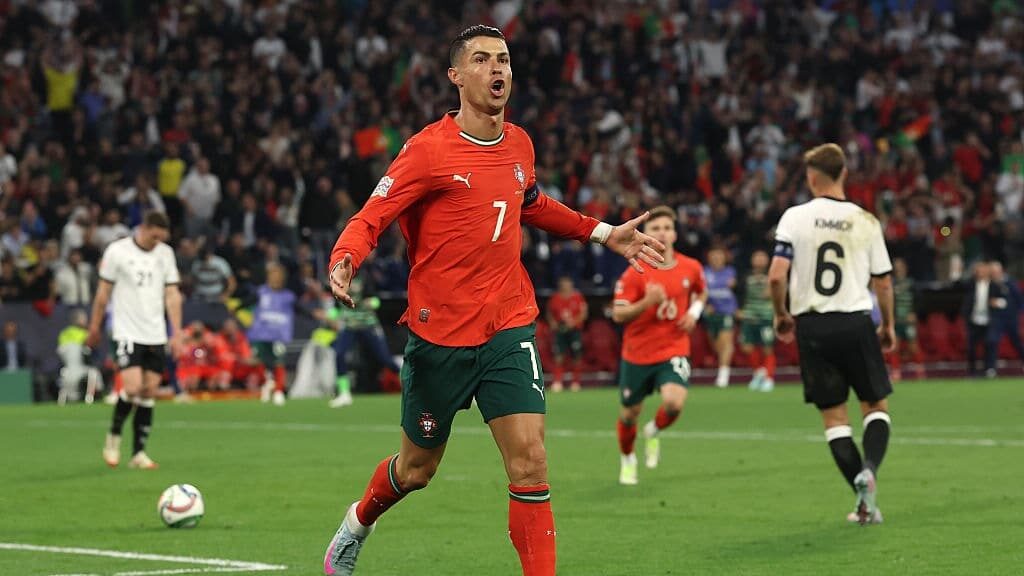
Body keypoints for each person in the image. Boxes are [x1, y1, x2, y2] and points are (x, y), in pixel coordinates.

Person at [323, 25, 664, 576]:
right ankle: (358, 522)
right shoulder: (427, 151)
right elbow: (373, 214)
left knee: (530, 462)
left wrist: (603, 233)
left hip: (509, 324)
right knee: (416, 470)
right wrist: (346, 256)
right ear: (456, 76)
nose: (497, 69)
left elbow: (530, 202)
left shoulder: (520, 144)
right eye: (481, 60)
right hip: (439, 336)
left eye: (503, 59)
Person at [769, 143, 894, 525]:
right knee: (875, 407)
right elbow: (884, 283)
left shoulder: (794, 217)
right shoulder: (866, 220)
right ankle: (869, 469)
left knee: (834, 418)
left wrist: (781, 315)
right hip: (856, 322)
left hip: (813, 328)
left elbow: (776, 274)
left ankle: (862, 503)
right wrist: (887, 325)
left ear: (811, 177)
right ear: (843, 174)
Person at [611, 205, 707, 484]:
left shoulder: (692, 267)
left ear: (675, 233)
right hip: (638, 353)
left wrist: (694, 313)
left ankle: (653, 430)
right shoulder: (635, 272)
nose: (662, 233)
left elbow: (702, 292)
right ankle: (628, 457)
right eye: (655, 229)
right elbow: (618, 313)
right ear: (644, 234)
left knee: (674, 403)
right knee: (629, 415)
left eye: (667, 228)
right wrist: (647, 302)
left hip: (674, 347)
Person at [88, 211, 182, 470]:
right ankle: (114, 436)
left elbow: (172, 294)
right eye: (153, 237)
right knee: (131, 388)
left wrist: (177, 332)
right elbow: (103, 293)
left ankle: (138, 453)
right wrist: (94, 327)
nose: (156, 242)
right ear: (144, 228)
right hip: (127, 331)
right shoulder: (117, 252)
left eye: (161, 238)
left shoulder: (165, 254)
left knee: (149, 390)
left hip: (155, 332)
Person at [330, 276, 400, 408]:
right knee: (340, 354)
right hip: (349, 326)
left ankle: (408, 382)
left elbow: (376, 302)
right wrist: (329, 316)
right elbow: (335, 308)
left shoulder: (365, 279)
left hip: (368, 325)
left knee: (384, 358)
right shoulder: (338, 281)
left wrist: (371, 303)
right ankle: (344, 393)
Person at [249, 262, 296, 406]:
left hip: (279, 334)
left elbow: (300, 308)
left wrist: (314, 314)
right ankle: (269, 383)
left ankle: (279, 391)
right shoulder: (261, 293)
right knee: (263, 361)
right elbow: (247, 302)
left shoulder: (288, 296)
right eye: (272, 276)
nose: (275, 279)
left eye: (278, 276)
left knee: (279, 361)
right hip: (261, 334)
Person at [738, 249, 776, 392]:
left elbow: (782, 293)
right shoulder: (746, 276)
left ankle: (769, 378)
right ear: (752, 260)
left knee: (767, 348)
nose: (759, 260)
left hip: (766, 317)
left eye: (762, 257)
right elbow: (739, 293)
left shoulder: (772, 276)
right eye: (757, 257)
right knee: (746, 346)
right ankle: (759, 372)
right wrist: (739, 309)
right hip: (749, 316)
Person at [545, 275, 588, 392]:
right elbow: (549, 313)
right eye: (563, 284)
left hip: (574, 331)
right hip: (560, 330)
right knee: (558, 356)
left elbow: (584, 313)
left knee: (576, 356)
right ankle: (558, 382)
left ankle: (576, 382)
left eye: (567, 283)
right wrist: (553, 323)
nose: (566, 286)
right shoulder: (555, 298)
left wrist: (574, 322)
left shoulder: (578, 297)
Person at [703, 246, 737, 388]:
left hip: (727, 312)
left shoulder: (731, 272)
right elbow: (698, 292)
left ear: (724, 258)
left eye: (719, 256)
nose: (716, 259)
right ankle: (722, 369)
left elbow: (738, 291)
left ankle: (723, 376)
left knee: (726, 343)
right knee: (716, 345)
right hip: (711, 315)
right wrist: (705, 306)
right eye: (714, 257)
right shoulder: (704, 273)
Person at [888, 258, 925, 381]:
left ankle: (920, 370)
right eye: (896, 266)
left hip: (908, 321)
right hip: (897, 321)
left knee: (913, 346)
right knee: (895, 346)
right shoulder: (891, 284)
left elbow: (920, 300)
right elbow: (889, 302)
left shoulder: (911, 283)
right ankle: (896, 372)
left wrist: (914, 312)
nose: (899, 268)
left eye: (901, 265)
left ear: (905, 267)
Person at [57, 309, 102, 404]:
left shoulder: (64, 333)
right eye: (84, 319)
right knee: (94, 372)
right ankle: (91, 398)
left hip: (66, 369)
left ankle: (63, 400)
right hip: (79, 367)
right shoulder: (84, 334)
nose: (85, 321)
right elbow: (91, 344)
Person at [986, 261, 1024, 374]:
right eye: (992, 272)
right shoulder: (990, 284)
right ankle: (991, 368)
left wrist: (1016, 314)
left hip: (1011, 319)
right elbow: (988, 300)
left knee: (1016, 342)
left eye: (996, 272)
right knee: (992, 340)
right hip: (997, 319)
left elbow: (1019, 300)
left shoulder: (1010, 282)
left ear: (1001, 271)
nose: (994, 274)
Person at [962, 261, 997, 377]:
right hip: (973, 320)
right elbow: (957, 286)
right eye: (978, 271)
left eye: (982, 270)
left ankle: (989, 369)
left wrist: (997, 303)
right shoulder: (970, 285)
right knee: (971, 346)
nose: (980, 273)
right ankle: (972, 370)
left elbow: (1003, 300)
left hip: (988, 320)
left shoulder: (994, 285)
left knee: (989, 344)